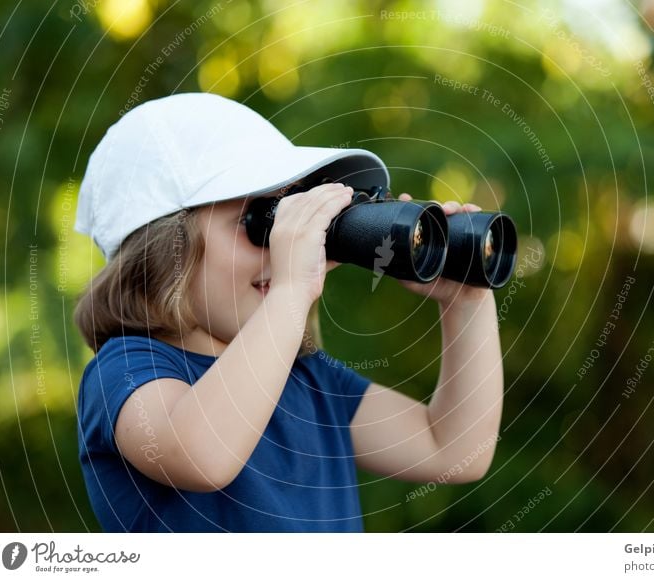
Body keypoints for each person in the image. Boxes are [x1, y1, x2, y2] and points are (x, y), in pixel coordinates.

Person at [73, 92, 503, 532]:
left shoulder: (308, 381)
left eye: (297, 222)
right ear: (164, 250)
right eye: (261, 222)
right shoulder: (124, 371)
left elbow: (451, 448)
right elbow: (202, 455)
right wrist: (291, 289)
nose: (286, 245)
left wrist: (464, 303)